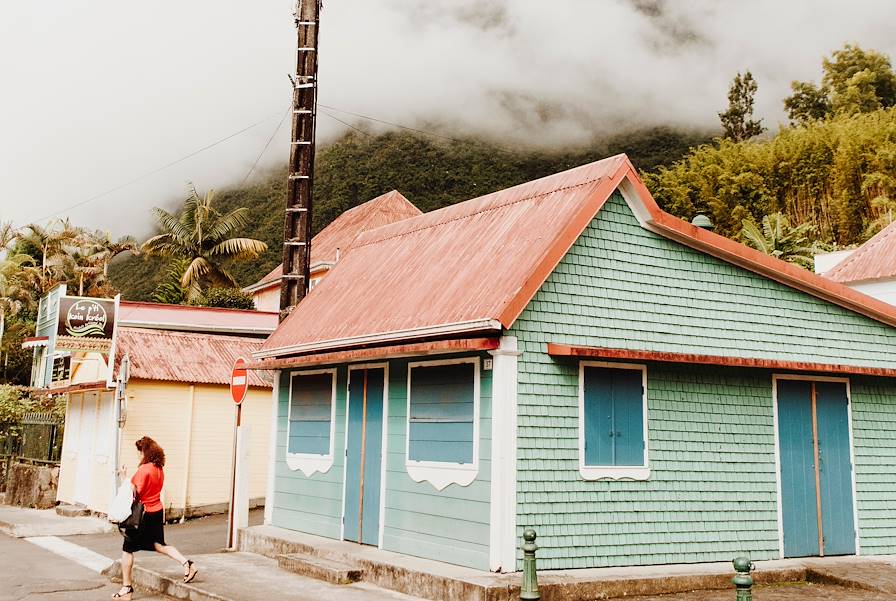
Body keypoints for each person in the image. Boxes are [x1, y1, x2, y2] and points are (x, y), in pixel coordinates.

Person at [113, 436, 198, 600]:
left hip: (142, 515)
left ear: (146, 452)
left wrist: (124, 477)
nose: (139, 456)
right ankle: (187, 564)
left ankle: (126, 589)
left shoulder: (143, 469)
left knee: (127, 549)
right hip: (157, 511)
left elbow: (133, 494)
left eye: (140, 452)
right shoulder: (159, 469)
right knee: (160, 545)